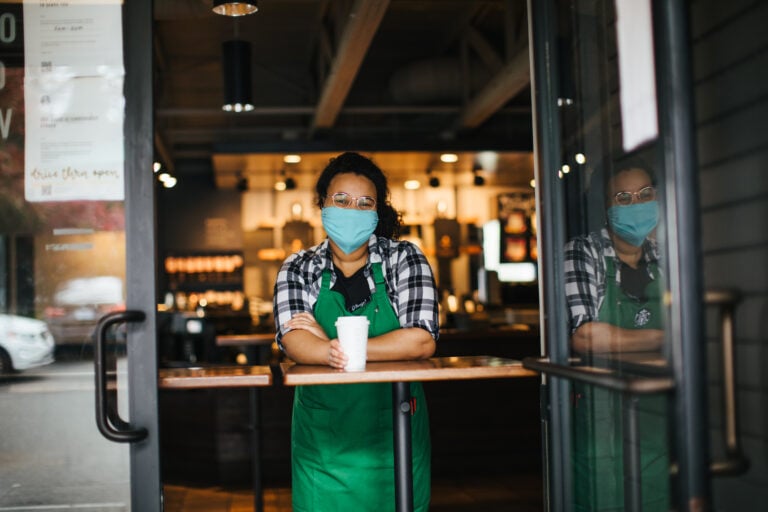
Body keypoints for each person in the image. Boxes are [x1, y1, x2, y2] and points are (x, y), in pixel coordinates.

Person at [272, 151, 439, 512]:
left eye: (365, 203)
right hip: (323, 446)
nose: (352, 210)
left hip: (396, 437)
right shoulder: (299, 266)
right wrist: (329, 347)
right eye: (341, 200)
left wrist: (329, 344)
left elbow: (422, 339)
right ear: (322, 205)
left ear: (377, 213)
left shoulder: (404, 259)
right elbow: (293, 339)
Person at [564, 163, 669, 511]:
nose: (636, 205)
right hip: (602, 410)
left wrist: (622, 337)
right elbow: (587, 338)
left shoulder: (664, 257)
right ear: (605, 208)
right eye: (623, 198)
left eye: (645, 195)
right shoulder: (582, 253)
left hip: (658, 410)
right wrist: (662, 337)